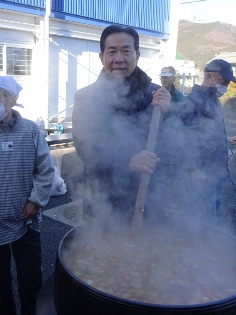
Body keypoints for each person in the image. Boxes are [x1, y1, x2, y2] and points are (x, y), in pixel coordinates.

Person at [72, 24, 188, 227]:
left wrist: (168, 113)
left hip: (148, 198)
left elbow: (177, 145)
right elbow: (85, 147)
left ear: (137, 55)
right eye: (112, 51)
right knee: (101, 255)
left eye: (126, 50)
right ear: (102, 57)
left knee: (147, 253)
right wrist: (127, 160)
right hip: (102, 199)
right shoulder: (86, 97)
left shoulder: (156, 95)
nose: (119, 58)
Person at [0, 76, 54, 315]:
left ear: (12, 99)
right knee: (0, 284)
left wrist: (36, 201)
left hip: (26, 219)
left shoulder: (30, 130)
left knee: (30, 279)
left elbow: (45, 170)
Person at [179, 60, 232, 222]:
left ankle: (208, 245)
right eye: (224, 81)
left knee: (212, 217)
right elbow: (182, 135)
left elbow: (207, 132)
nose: (227, 86)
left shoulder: (212, 100)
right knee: (200, 220)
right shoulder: (193, 101)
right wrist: (193, 168)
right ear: (209, 76)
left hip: (213, 173)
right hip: (200, 175)